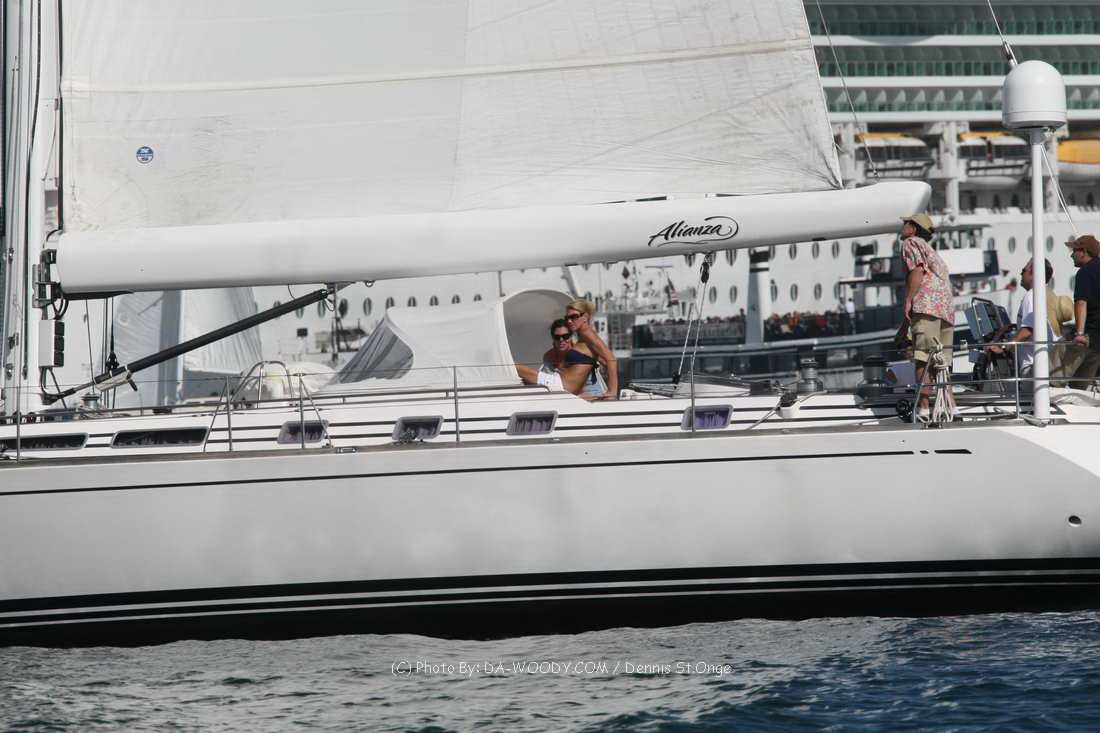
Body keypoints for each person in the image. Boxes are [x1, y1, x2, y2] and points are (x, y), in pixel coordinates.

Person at [894, 213, 953, 412]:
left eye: (906, 223)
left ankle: (924, 409)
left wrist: (908, 299)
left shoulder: (910, 243)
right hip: (944, 309)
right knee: (941, 363)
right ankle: (951, 408)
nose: (903, 226)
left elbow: (917, 271)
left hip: (926, 305)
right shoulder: (929, 250)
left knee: (923, 359)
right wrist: (904, 328)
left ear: (913, 228)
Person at [514, 319, 599, 397]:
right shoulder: (548, 356)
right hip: (564, 398)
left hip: (591, 397)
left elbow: (572, 387)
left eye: (565, 336)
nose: (561, 340)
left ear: (570, 337)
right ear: (553, 338)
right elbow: (546, 381)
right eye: (557, 337)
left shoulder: (580, 354)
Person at [564, 299, 618, 400]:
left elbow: (611, 359)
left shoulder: (587, 333)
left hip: (590, 393)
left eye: (574, 317)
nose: (569, 321)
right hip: (587, 392)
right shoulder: (582, 335)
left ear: (585, 317)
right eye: (567, 318)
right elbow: (603, 361)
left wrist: (612, 392)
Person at [1066, 235, 1100, 388]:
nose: (1071, 255)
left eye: (1074, 251)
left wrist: (1079, 334)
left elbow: (1081, 303)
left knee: (1075, 384)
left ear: (1084, 252)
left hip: (1092, 337)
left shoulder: (1085, 272)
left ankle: (1043, 394)